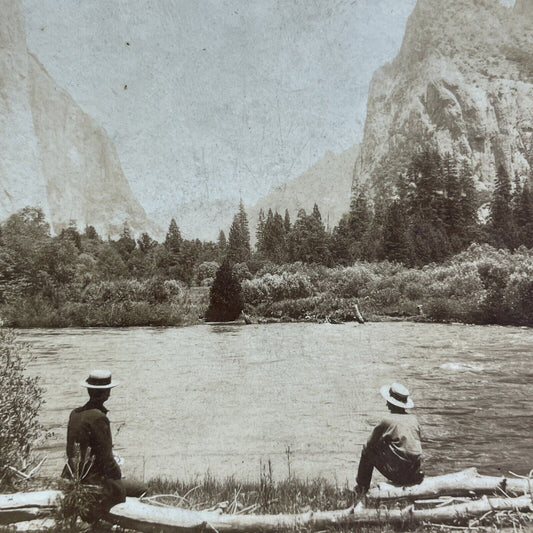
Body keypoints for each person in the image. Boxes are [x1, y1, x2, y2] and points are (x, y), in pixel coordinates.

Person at [62, 369, 145, 519]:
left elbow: (72, 452)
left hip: (73, 476)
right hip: (94, 481)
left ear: (88, 390)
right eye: (108, 390)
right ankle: (115, 518)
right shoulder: (99, 418)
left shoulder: (75, 413)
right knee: (142, 488)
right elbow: (107, 460)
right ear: (106, 393)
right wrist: (118, 477)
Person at [354, 382, 424, 497]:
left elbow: (370, 444)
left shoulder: (387, 420)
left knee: (367, 450)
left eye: (388, 402)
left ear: (392, 403)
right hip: (415, 472)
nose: (387, 405)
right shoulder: (413, 419)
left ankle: (362, 488)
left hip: (400, 475)